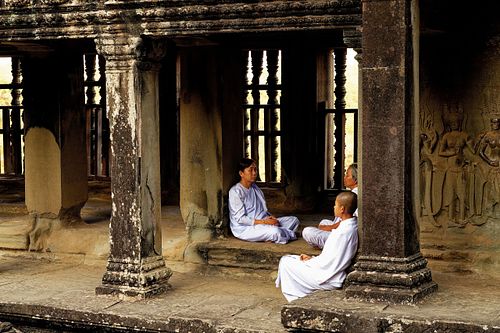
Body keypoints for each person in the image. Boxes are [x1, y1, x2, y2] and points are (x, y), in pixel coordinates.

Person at [275, 191, 358, 302]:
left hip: (328, 278)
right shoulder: (352, 225)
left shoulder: (342, 233)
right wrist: (312, 259)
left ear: (342, 209)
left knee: (286, 261)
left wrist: (310, 262)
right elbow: (330, 258)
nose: (334, 207)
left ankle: (296, 298)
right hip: (327, 269)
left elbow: (328, 264)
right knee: (293, 259)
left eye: (335, 205)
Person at [228, 158, 300, 244]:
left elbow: (262, 210)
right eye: (250, 170)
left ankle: (276, 236)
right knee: (275, 231)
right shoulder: (235, 192)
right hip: (247, 228)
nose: (254, 173)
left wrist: (271, 218)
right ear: (241, 173)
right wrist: (265, 222)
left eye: (255, 170)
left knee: (294, 220)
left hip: (263, 222)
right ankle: (287, 234)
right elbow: (240, 219)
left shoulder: (255, 188)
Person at [302, 163, 358, 249]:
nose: (344, 177)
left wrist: (329, 228)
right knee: (323, 222)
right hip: (341, 228)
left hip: (342, 234)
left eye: (347, 175)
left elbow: (350, 219)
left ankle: (325, 244)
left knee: (307, 231)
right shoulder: (352, 193)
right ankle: (322, 242)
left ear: (355, 180)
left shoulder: (354, 196)